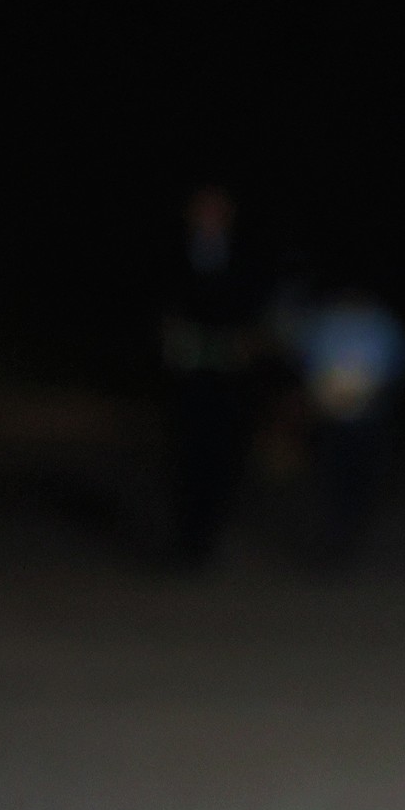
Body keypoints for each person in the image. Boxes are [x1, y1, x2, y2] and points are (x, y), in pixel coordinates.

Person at [160, 186, 265, 564]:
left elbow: (257, 305)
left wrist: (250, 339)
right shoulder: (173, 252)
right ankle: (186, 537)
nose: (209, 217)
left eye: (216, 210)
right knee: (186, 452)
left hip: (231, 374)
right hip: (187, 372)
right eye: (202, 209)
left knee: (224, 453)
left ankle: (209, 532)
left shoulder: (246, 255)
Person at [293, 283, 405, 564]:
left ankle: (350, 534)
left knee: (365, 480)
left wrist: (372, 389)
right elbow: (307, 361)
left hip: (370, 418)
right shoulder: (325, 323)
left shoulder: (383, 324)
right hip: (331, 420)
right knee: (331, 479)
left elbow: (398, 365)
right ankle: (332, 539)